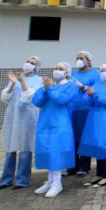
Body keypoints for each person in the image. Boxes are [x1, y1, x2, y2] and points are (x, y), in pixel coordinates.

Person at [32, 62, 77, 198]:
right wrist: (46, 90)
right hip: (45, 123)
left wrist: (50, 89)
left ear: (67, 73)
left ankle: (57, 183)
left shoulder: (71, 86)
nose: (57, 71)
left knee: (56, 152)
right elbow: (37, 101)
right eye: (56, 68)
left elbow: (61, 100)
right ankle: (50, 181)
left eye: (61, 69)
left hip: (60, 124)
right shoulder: (47, 86)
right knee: (47, 151)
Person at [0, 56, 43, 189]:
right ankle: (6, 179)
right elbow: (5, 97)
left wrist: (22, 81)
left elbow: (29, 97)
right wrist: (12, 83)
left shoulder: (38, 80)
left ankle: (22, 180)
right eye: (28, 61)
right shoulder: (17, 79)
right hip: (13, 117)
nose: (28, 64)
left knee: (25, 148)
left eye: (32, 63)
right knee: (10, 148)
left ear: (36, 67)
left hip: (27, 118)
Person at [77, 63, 106, 188]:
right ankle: (99, 173)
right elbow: (86, 101)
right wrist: (88, 93)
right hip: (94, 117)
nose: (103, 72)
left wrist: (95, 94)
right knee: (95, 144)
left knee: (102, 145)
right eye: (101, 70)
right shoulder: (96, 84)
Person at [67, 50, 99, 176]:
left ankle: (84, 166)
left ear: (88, 60)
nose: (79, 60)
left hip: (87, 109)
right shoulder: (73, 74)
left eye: (82, 58)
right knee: (73, 137)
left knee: (85, 136)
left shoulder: (95, 73)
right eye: (77, 58)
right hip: (72, 109)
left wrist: (83, 87)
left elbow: (96, 90)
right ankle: (72, 165)